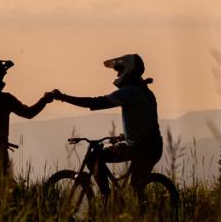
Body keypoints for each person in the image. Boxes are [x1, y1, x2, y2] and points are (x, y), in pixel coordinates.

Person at [51, 54, 162, 195]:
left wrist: (64, 97)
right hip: (146, 146)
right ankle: (113, 199)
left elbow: (96, 102)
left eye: (120, 70)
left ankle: (106, 196)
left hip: (144, 148)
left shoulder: (131, 92)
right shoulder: (143, 90)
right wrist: (126, 137)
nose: (117, 74)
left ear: (129, 70)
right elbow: (144, 120)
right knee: (135, 186)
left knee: (95, 160)